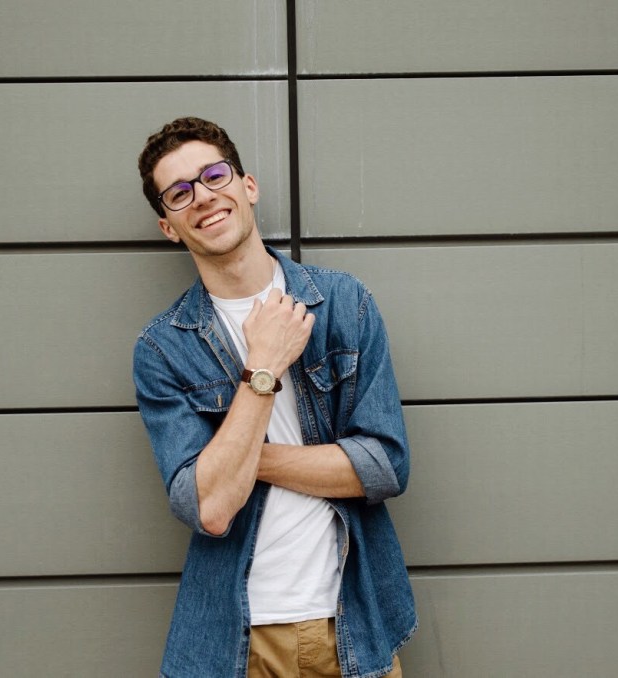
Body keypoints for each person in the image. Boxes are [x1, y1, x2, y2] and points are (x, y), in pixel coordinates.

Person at [133, 117, 416, 678]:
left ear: (248, 185)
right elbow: (211, 511)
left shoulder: (343, 304)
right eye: (180, 193)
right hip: (233, 643)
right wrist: (261, 369)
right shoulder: (162, 349)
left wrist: (237, 460)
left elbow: (384, 467)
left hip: (352, 624)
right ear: (169, 227)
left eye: (214, 175)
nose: (203, 196)